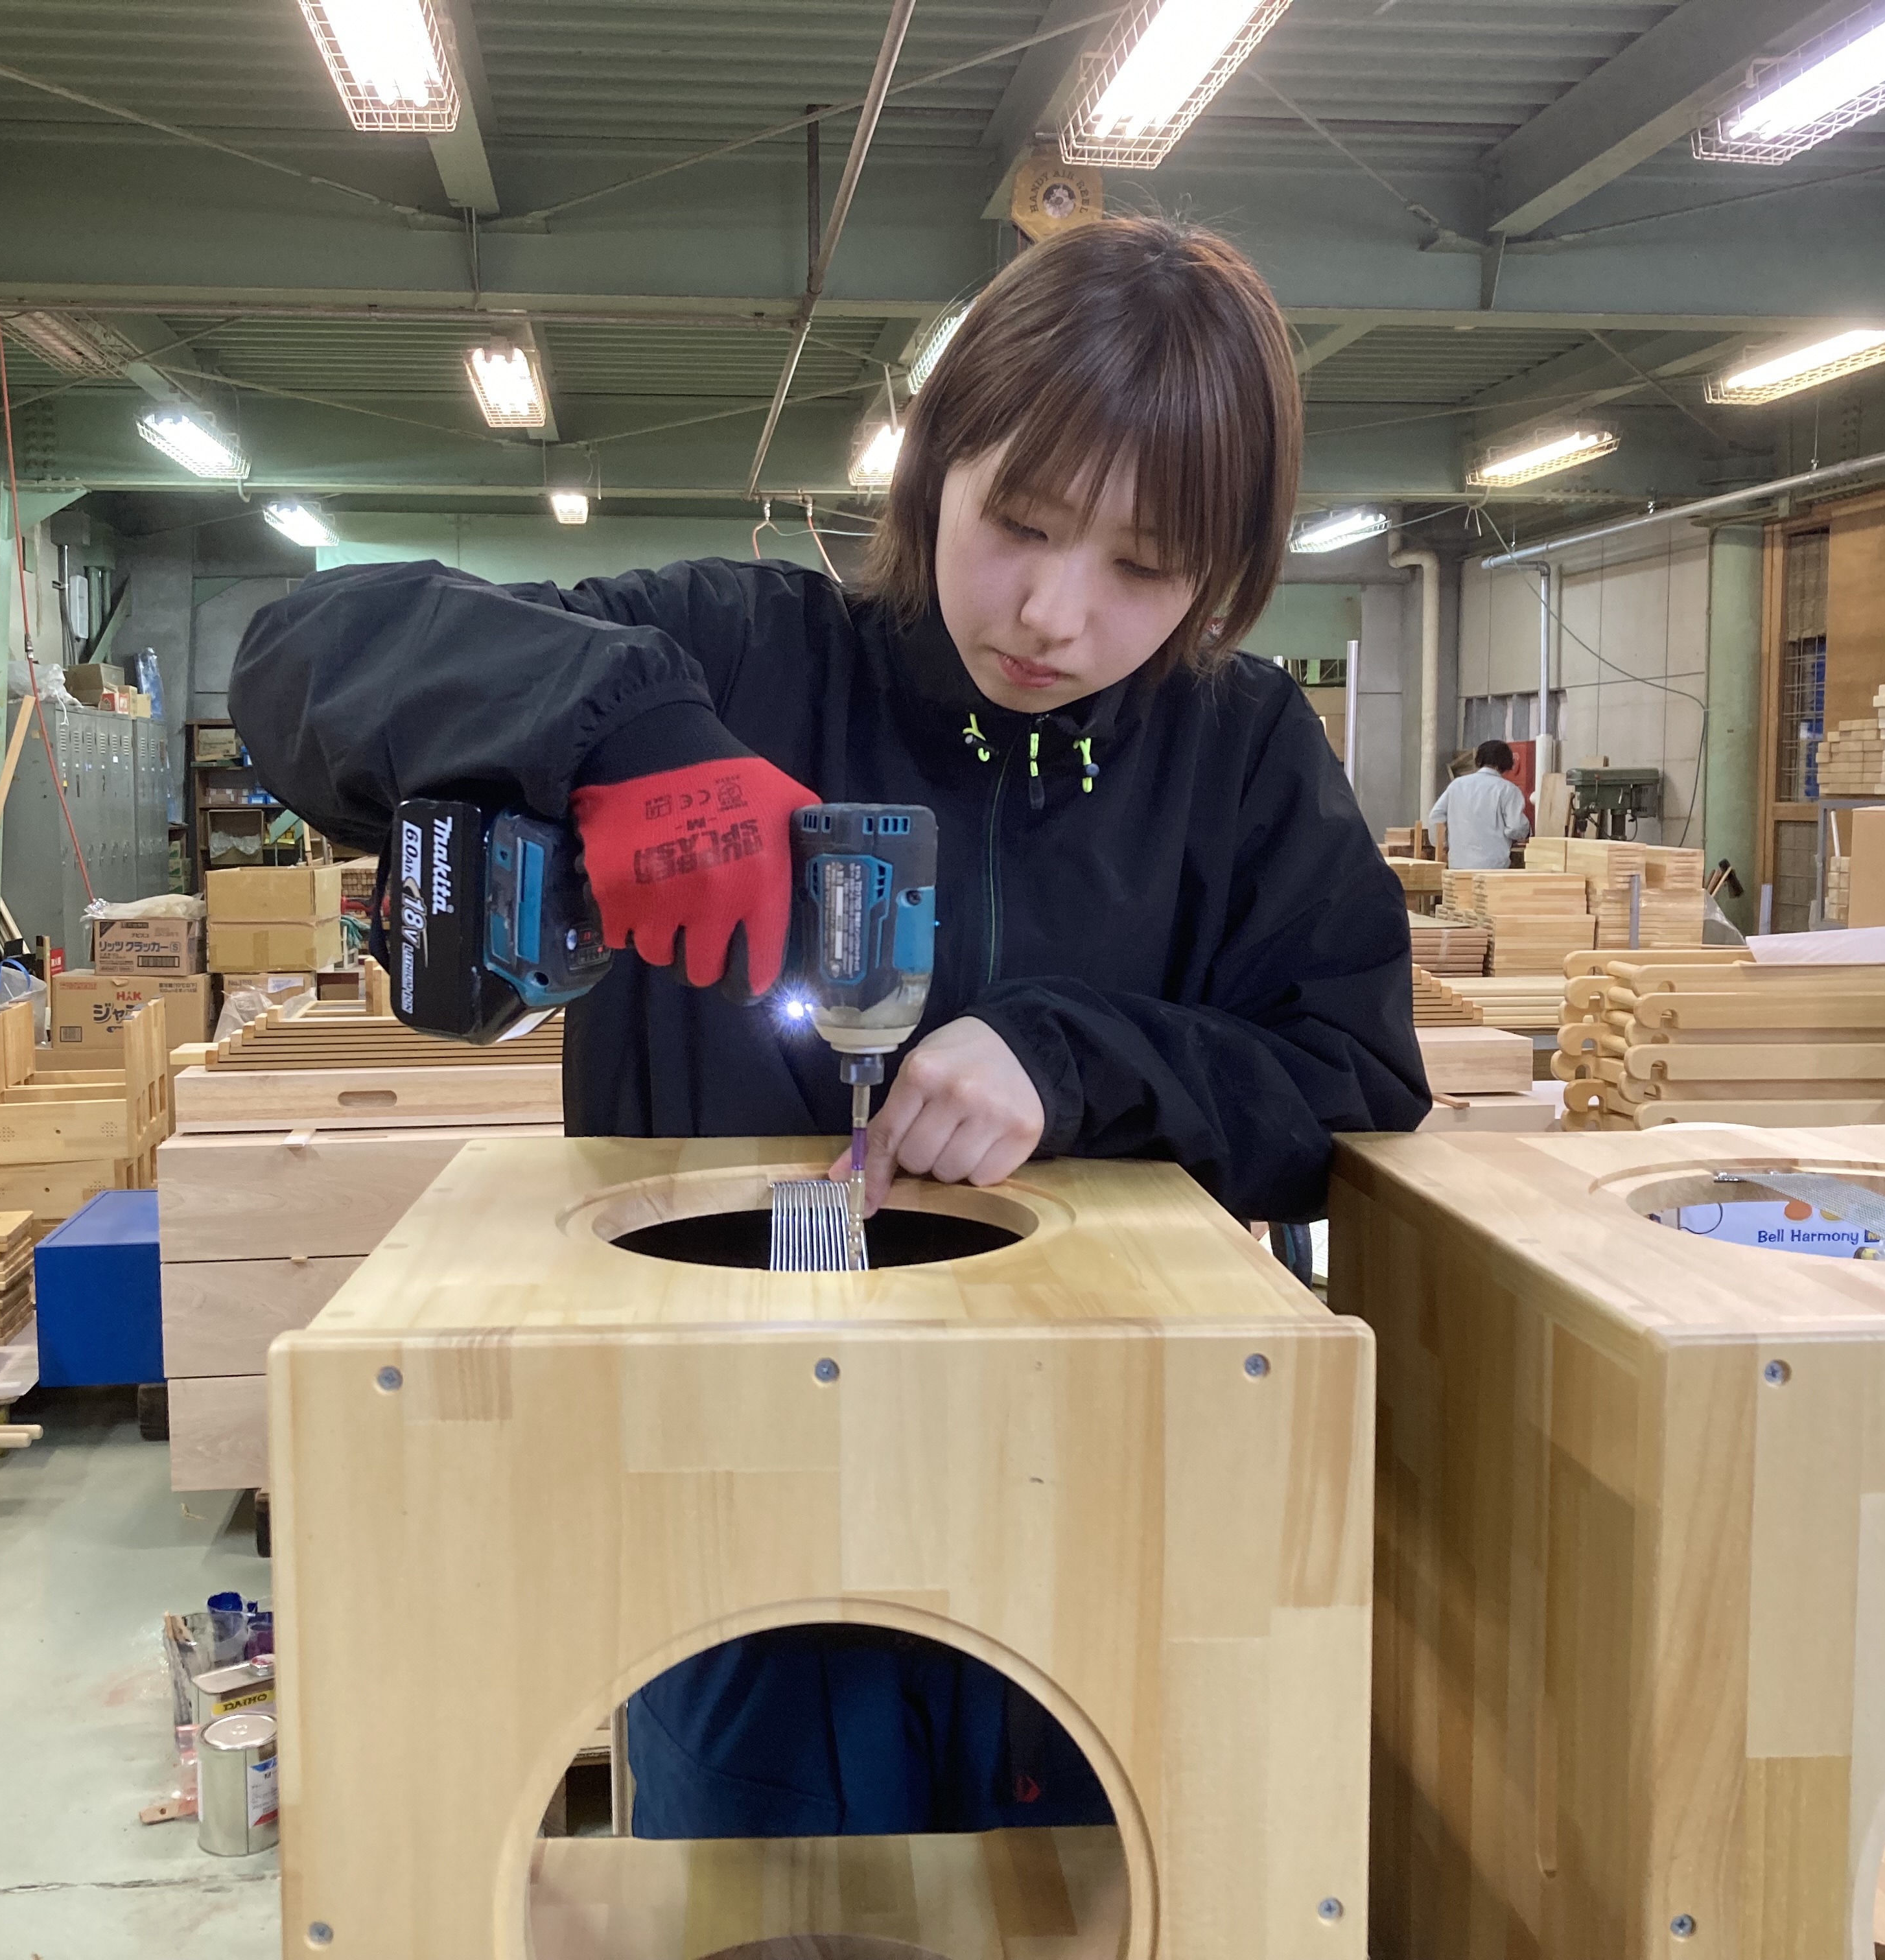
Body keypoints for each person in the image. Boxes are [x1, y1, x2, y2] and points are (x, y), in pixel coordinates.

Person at [229, 215, 1427, 1839]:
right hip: (731, 1504)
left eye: (1144, 569)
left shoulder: (1240, 752)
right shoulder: (733, 655)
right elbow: (306, 656)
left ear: (1224, 577)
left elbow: (1347, 1075)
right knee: (764, 1909)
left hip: (1107, 1505)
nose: (1057, 615)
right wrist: (621, 734)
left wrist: (1067, 1060)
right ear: (936, 462)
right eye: (1020, 522)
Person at [1429, 738, 1532, 870]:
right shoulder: (1508, 790)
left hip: (1458, 865)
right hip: (1492, 868)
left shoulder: (1457, 785)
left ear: (1479, 760)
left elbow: (1435, 816)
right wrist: (1527, 831)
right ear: (1507, 763)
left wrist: (1442, 844)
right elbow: (1516, 828)